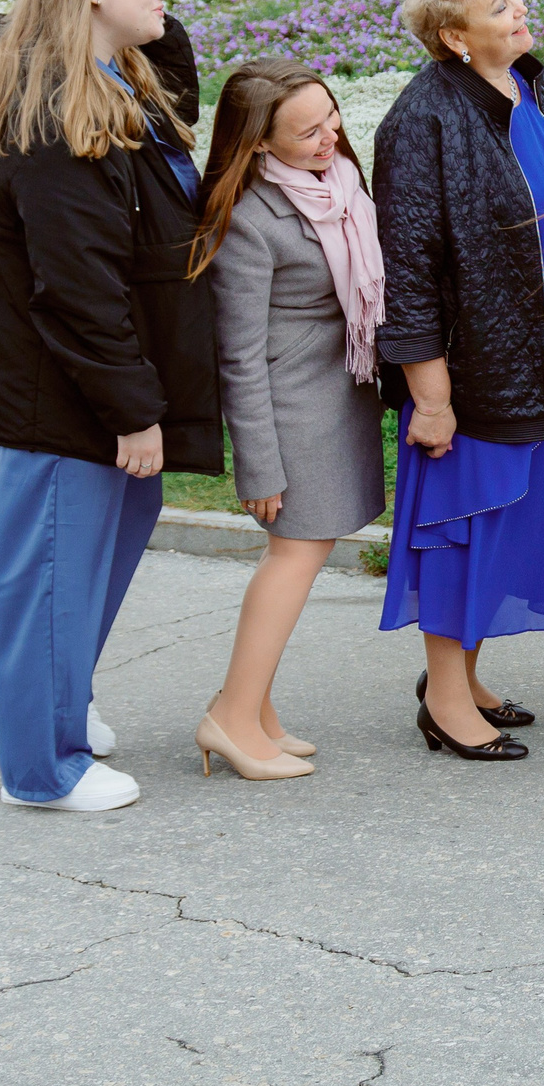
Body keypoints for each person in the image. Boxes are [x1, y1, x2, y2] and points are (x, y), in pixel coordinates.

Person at [0, 0, 219, 812]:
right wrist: (130, 407)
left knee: (86, 563)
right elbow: (75, 284)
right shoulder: (53, 110)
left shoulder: (118, 82)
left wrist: (143, 13)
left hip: (103, 383)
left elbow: (179, 82)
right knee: (49, 574)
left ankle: (61, 705)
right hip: (62, 392)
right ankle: (41, 767)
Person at [372, 0, 544, 763]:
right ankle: (443, 699)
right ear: (452, 36)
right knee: (462, 524)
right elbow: (409, 268)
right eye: (501, 4)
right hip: (477, 370)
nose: (521, 10)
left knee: (506, 523)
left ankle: (464, 674)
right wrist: (430, 396)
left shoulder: (528, 84)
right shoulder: (421, 120)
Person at [188, 59, 387, 782]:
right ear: (259, 143)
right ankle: (232, 719)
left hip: (335, 403)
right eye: (305, 131)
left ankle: (253, 710)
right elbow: (237, 358)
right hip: (291, 416)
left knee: (302, 555)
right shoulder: (247, 217)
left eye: (330, 117)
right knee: (294, 557)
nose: (328, 136)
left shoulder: (339, 189)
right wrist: (259, 464)